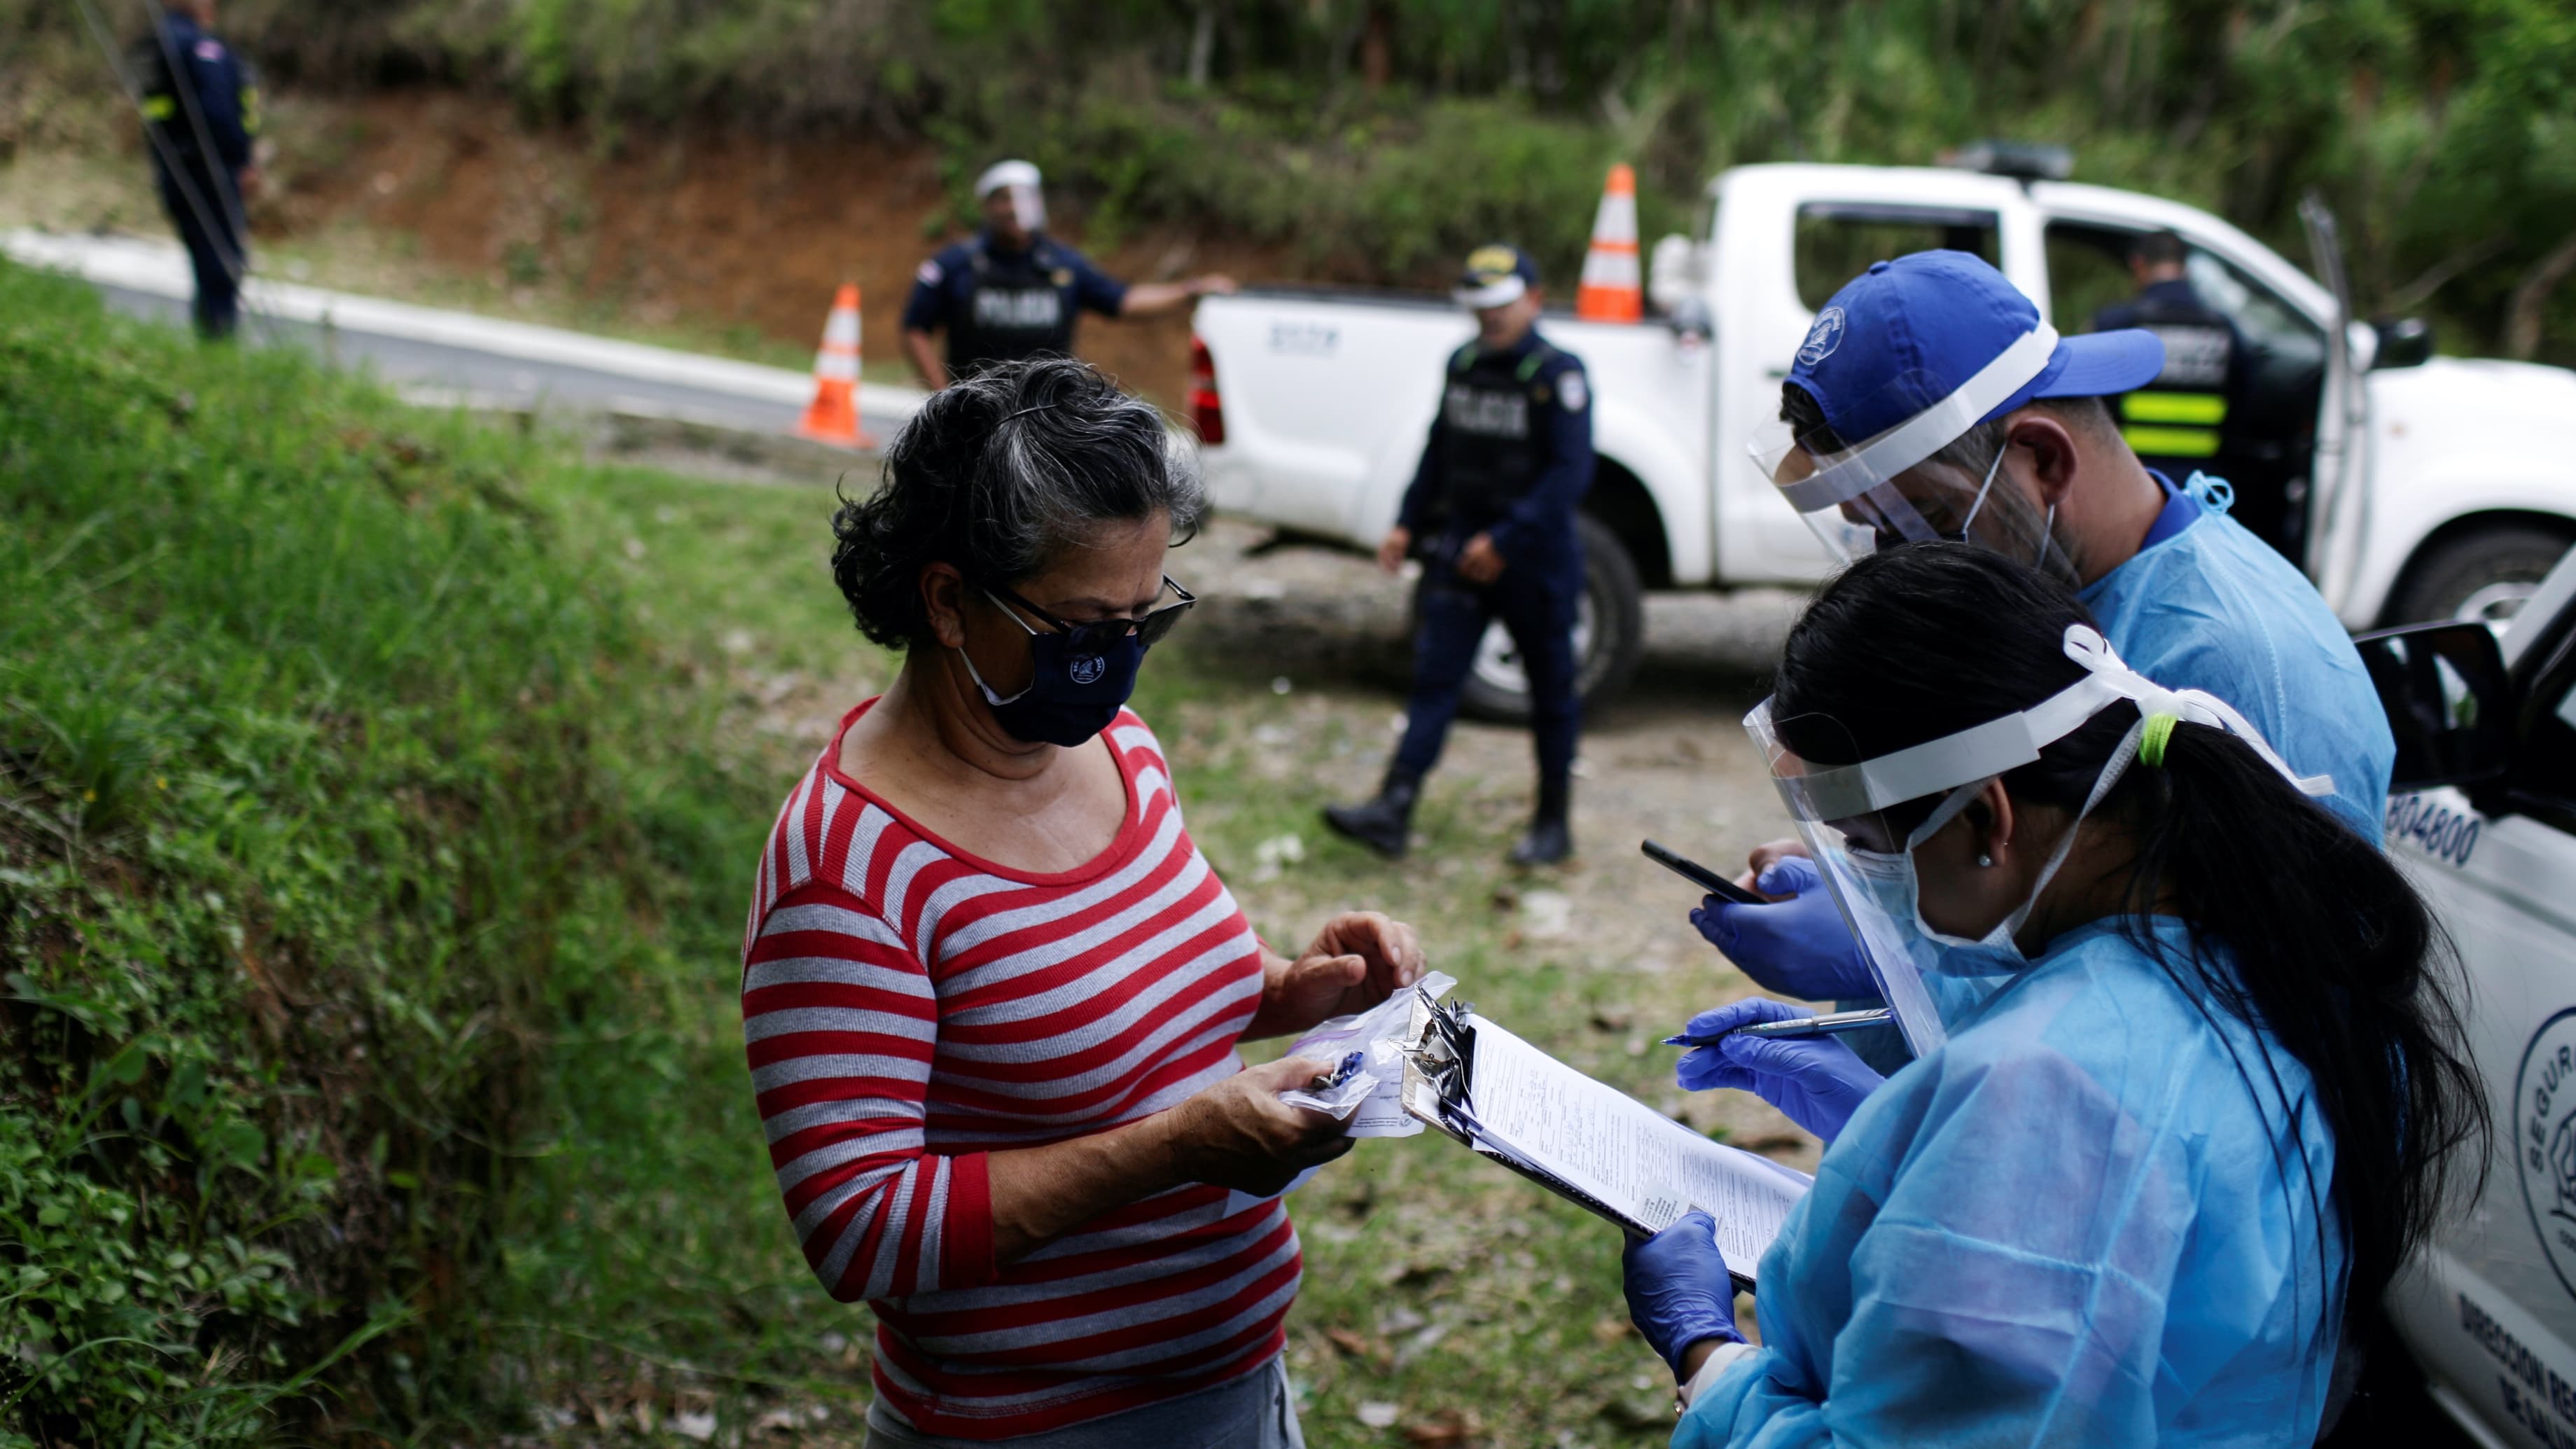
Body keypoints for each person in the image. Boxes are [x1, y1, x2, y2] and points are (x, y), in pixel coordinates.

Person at [1621, 542, 2485, 1446]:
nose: (1858, 880)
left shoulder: (2049, 1088)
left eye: (1860, 846)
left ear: (1985, 819)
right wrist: (1903, 1135)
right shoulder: (2260, 949)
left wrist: (1706, 1358)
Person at [743, 356, 1424, 1446]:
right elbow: (857, 1229)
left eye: (1142, 622)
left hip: (1236, 1392)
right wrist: (1174, 1147)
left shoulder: (1118, 749)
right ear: (950, 600)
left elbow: (1120, 969)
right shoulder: (849, 863)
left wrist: (1288, 987)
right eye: (1086, 627)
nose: (1117, 663)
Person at [1700, 250, 2394, 1067]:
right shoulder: (2047, 589)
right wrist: (1886, 866)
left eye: (1921, 516)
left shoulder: (2244, 668)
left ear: (2045, 459)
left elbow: (2245, 1037)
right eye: (1872, 527)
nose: (1895, 556)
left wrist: (1898, 949)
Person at [1323, 244, 1595, 866]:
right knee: (1434, 679)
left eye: (1501, 307)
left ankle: (1553, 826)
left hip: (1535, 559)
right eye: (1480, 308)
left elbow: (1570, 474)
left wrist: (1505, 541)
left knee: (1552, 692)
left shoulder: (1560, 374)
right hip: (1461, 550)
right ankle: (1392, 808)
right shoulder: (1464, 363)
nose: (1490, 320)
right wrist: (1404, 522)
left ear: (1532, 299)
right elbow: (1438, 450)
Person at [900, 160, 1237, 389]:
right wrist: (943, 395)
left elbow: (1125, 301)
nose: (1016, 207)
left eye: (1025, 197)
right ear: (987, 206)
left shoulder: (1063, 264)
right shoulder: (956, 265)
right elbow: (915, 328)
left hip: (1048, 409)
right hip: (975, 407)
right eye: (1004, 198)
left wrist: (1191, 291)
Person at [135, 0, 260, 340]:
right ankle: (218, 345)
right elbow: (218, 114)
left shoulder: (152, 46)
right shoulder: (200, 47)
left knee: (206, 260)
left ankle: (211, 342)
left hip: (174, 170)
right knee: (221, 263)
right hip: (209, 172)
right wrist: (241, 160)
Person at [2092, 230, 2246, 481]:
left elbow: (2091, 407)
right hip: (2202, 485)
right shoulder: (2224, 330)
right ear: (2186, 268)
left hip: (2130, 482)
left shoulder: (2116, 326)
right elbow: (2242, 412)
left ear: (2138, 264)